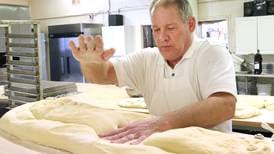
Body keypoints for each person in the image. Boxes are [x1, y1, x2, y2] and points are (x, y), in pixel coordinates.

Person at [69, 0, 237, 145]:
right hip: (160, 147)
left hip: (209, 148)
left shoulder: (211, 53)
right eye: (156, 29)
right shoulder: (147, 59)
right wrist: (89, 63)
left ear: (191, 24)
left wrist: (163, 122)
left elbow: (225, 105)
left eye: (170, 28)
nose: (162, 37)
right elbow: (104, 75)